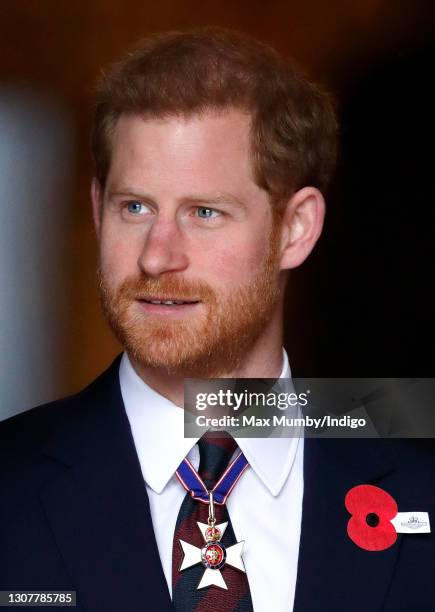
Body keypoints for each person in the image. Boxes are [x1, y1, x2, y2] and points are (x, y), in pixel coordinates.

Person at [1, 26, 435, 612]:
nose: (158, 255)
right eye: (135, 207)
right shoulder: (11, 485)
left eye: (204, 213)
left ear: (296, 229)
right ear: (97, 211)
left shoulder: (419, 487)